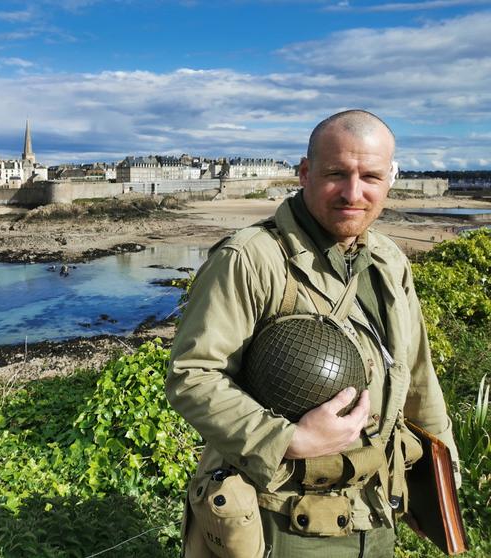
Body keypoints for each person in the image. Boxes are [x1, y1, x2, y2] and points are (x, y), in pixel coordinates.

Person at [166, 110, 459, 557]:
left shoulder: (388, 261)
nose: (353, 193)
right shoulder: (250, 259)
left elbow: (418, 375)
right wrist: (288, 440)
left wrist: (445, 473)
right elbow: (193, 375)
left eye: (371, 177)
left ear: (390, 180)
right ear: (305, 173)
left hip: (376, 509)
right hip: (279, 518)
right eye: (336, 173)